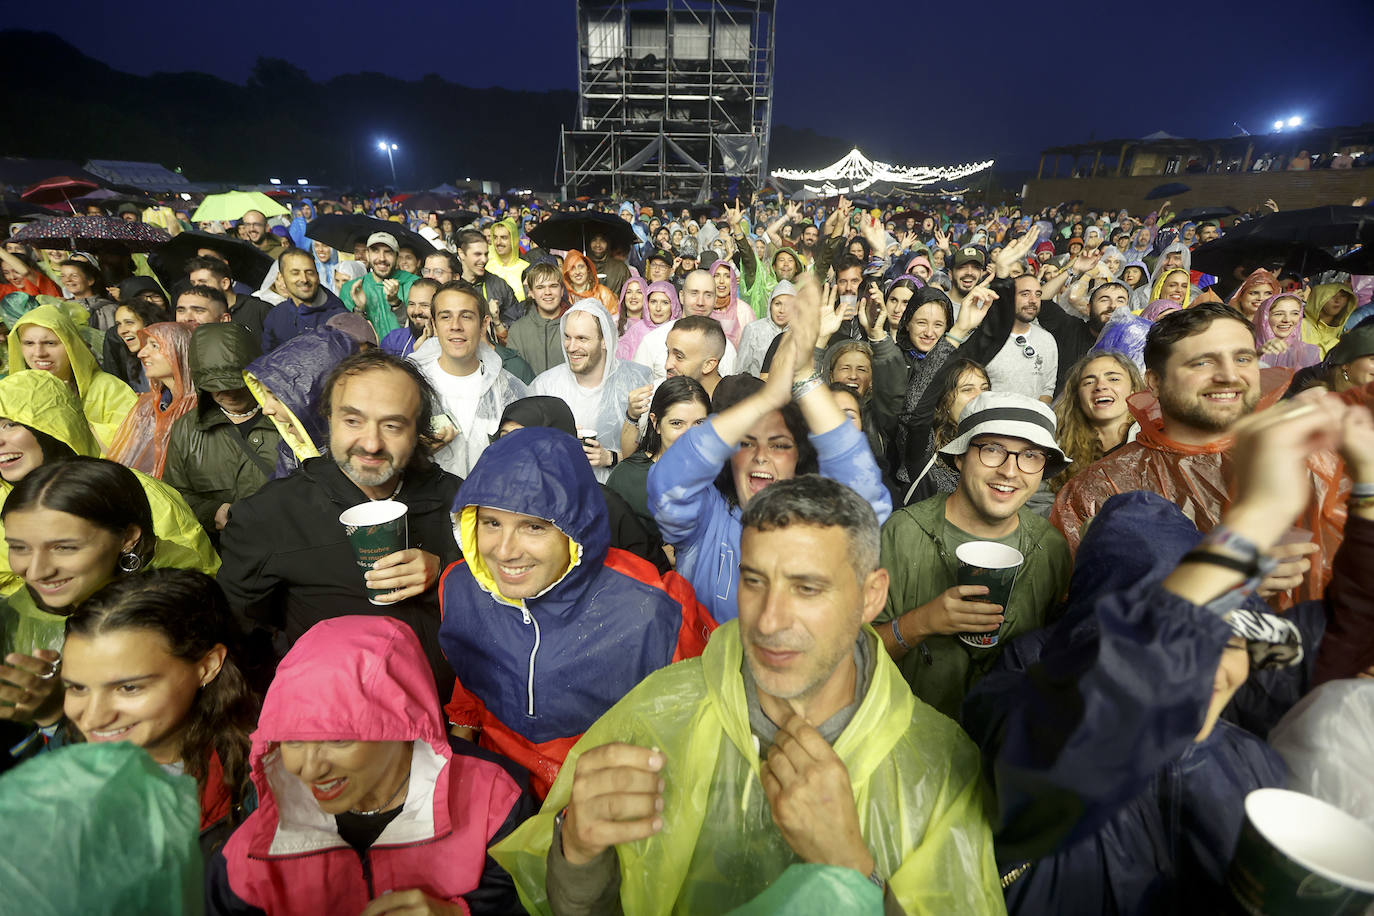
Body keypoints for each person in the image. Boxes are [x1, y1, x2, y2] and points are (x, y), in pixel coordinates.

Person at [492, 475, 1004, 914]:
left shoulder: (939, 769)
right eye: (754, 581)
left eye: (807, 588)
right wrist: (579, 853)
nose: (769, 620)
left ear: (871, 595)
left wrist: (853, 871)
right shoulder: (662, 712)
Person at [965, 392, 1374, 915]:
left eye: (1229, 637)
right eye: (1192, 629)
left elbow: (1349, 632)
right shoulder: (1027, 680)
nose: (1209, 662)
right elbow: (1099, 713)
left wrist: (1364, 485)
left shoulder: (1250, 748)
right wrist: (1257, 516)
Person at [438, 427, 714, 799]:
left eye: (533, 526)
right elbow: (470, 678)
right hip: (499, 797)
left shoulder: (653, 611)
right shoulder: (461, 587)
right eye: (491, 523)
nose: (503, 551)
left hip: (605, 808)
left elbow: (698, 734)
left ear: (576, 527)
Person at [206, 615, 536, 916]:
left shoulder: (495, 803)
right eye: (291, 741)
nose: (309, 769)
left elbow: (531, 901)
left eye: (337, 740)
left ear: (403, 724)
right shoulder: (255, 849)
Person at [1052, 302, 1351, 605]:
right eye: (1202, 362)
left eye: (1243, 358)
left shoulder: (1314, 461)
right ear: (1155, 382)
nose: (1229, 375)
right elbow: (1081, 624)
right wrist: (1214, 593)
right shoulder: (1100, 489)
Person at [648, 277, 892, 623]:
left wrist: (805, 375)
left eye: (779, 445)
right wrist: (768, 398)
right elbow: (668, 482)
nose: (761, 455)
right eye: (746, 443)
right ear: (728, 455)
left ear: (798, 458)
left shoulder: (817, 525)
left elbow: (866, 502)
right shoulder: (704, 519)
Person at [218, 350, 462, 693]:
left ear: (419, 431)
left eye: (392, 425)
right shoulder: (270, 515)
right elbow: (240, 637)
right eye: (352, 421)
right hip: (341, 733)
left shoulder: (459, 501)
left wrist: (446, 574)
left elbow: (502, 604)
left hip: (452, 721)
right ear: (328, 418)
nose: (371, 443)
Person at [877, 392, 1072, 717]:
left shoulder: (1049, 548)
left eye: (1031, 455)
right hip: (912, 739)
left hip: (1001, 749)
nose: (1011, 471)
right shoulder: (902, 534)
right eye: (993, 450)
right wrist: (921, 622)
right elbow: (851, 657)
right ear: (960, 457)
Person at [61, 569, 256, 849]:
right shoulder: (62, 753)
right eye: (78, 687)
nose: (92, 718)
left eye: (128, 688)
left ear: (207, 666)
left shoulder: (261, 784)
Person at [1, 456, 219, 674]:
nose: (37, 571)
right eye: (20, 548)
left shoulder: (182, 612)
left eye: (64, 548)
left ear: (127, 538)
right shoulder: (18, 610)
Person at [163, 323, 280, 544]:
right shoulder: (187, 429)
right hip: (225, 553)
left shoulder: (287, 419)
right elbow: (174, 495)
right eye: (217, 386)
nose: (230, 394)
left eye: (237, 384)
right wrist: (211, 511)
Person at [408, 281, 527, 478]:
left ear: (484, 325)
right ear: (434, 325)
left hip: (491, 504)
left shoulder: (508, 389)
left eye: (466, 316)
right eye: (446, 317)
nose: (456, 326)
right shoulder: (412, 385)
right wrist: (416, 452)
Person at [529, 300, 651, 483]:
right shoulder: (545, 386)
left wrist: (611, 457)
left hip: (616, 496)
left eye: (582, 338)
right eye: (567, 337)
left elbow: (655, 450)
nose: (571, 347)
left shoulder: (636, 380)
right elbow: (526, 447)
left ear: (604, 341)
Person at [6, 303, 136, 450]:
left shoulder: (108, 388)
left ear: (71, 345)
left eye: (50, 343)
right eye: (29, 343)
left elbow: (131, 449)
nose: (38, 353)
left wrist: (71, 413)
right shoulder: (12, 394)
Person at [606, 376, 710, 555]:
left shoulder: (718, 476)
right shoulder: (627, 479)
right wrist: (659, 556)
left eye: (699, 423)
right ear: (656, 423)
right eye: (677, 424)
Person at [244, 327, 359, 478]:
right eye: (265, 396)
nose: (266, 410)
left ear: (318, 401)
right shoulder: (290, 451)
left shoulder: (362, 458)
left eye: (276, 398)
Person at [105, 322, 197, 478]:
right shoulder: (146, 406)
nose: (141, 354)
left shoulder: (203, 408)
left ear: (181, 350)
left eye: (155, 346)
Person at [1050, 351, 1145, 491]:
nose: (1100, 386)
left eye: (1113, 379)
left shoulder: (1155, 443)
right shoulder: (1057, 448)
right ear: (1078, 397)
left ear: (1134, 390)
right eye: (1089, 382)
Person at [632, 269, 740, 380]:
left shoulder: (727, 348)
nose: (700, 302)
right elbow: (637, 387)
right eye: (694, 293)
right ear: (682, 296)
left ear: (715, 299)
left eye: (708, 295)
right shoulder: (653, 341)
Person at [982, 274, 1058, 403]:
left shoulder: (1047, 340)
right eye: (1025, 294)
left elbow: (1047, 388)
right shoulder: (984, 339)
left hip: (1032, 420)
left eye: (1038, 294)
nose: (1033, 300)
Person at [261, 248, 349, 352]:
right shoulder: (276, 315)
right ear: (281, 277)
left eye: (309, 272)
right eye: (295, 273)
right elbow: (267, 359)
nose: (304, 279)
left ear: (317, 275)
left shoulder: (340, 317)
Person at [339, 232, 417, 338]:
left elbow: (419, 328)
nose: (381, 258)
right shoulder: (351, 289)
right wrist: (359, 309)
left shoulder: (413, 284)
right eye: (375, 251)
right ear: (367, 254)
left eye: (388, 252)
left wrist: (396, 304)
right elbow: (346, 335)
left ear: (397, 257)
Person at [184, 256, 274, 343]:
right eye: (193, 283)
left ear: (225, 283)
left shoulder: (258, 309)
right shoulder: (199, 317)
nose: (197, 288)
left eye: (202, 282)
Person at [506, 261, 567, 375]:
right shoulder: (517, 331)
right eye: (540, 287)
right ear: (531, 293)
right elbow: (514, 377)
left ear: (562, 290)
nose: (547, 292)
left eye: (553, 286)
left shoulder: (577, 325)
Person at [455, 229, 521, 329]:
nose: (484, 260)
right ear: (461, 253)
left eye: (486, 254)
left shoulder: (499, 285)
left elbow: (516, 323)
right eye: (477, 254)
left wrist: (496, 320)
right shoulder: (451, 284)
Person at [103, 296, 164, 391]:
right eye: (119, 324)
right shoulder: (133, 365)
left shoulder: (172, 359)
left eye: (129, 322)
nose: (122, 331)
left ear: (148, 323)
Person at [737, 279, 794, 377]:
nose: (782, 310)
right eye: (777, 304)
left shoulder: (799, 333)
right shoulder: (753, 330)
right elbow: (740, 370)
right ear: (770, 305)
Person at [615, 278, 679, 363]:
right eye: (653, 302)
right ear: (646, 304)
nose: (658, 308)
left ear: (673, 306)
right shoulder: (635, 331)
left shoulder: (680, 330)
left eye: (665, 302)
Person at [1255, 291, 1321, 369]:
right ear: (1264, 318)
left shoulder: (1310, 353)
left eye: (1295, 313)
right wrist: (1256, 355)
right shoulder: (1246, 347)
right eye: (1279, 314)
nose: (1287, 319)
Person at [380, 276, 438, 359]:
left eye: (424, 305)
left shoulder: (450, 341)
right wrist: (416, 355)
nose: (417, 311)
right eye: (412, 304)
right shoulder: (394, 340)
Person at [1302, 281, 1357, 356]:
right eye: (1331, 296)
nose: (1337, 300)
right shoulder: (1302, 325)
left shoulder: (1344, 329)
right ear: (1318, 299)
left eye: (1343, 296)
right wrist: (1340, 343)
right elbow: (1311, 358)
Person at [560, 249, 619, 318]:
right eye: (572, 268)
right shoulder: (564, 295)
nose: (577, 272)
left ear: (588, 269)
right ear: (567, 273)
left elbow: (614, 320)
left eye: (581, 267)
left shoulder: (603, 293)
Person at [487, 217, 529, 303]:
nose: (498, 242)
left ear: (513, 240)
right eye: (495, 237)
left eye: (503, 237)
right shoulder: (487, 267)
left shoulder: (526, 268)